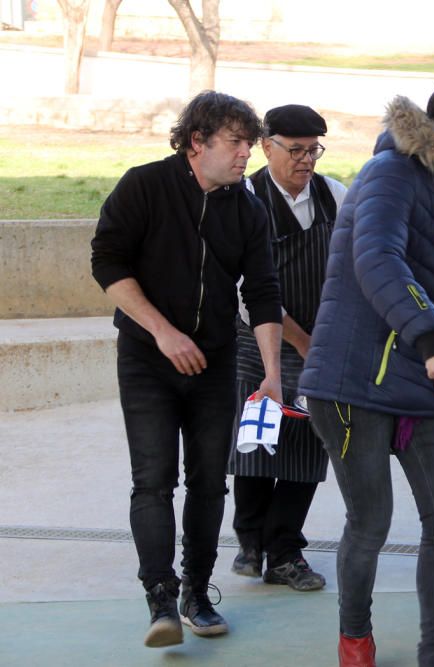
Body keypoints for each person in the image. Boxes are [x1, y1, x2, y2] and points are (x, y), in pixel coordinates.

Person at [299, 70, 434, 667]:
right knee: (371, 521)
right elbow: (377, 259)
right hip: (352, 384)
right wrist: (428, 343)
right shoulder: (389, 174)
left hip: (428, 385)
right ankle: (355, 637)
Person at [90, 91, 283, 648]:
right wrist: (162, 331)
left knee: (207, 484)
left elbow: (264, 294)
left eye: (250, 142)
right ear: (197, 143)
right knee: (153, 481)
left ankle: (197, 591)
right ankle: (160, 599)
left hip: (216, 364)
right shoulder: (144, 185)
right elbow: (107, 260)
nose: (248, 152)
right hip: (148, 360)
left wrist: (272, 375)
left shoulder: (246, 208)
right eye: (237, 142)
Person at [227, 104, 348, 592]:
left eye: (313, 149)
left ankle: (284, 550)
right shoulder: (243, 198)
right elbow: (244, 289)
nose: (306, 160)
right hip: (255, 340)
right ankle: (249, 540)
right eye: (295, 149)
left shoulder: (334, 195)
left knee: (307, 447)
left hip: (321, 342)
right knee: (258, 441)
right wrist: (302, 340)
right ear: (266, 146)